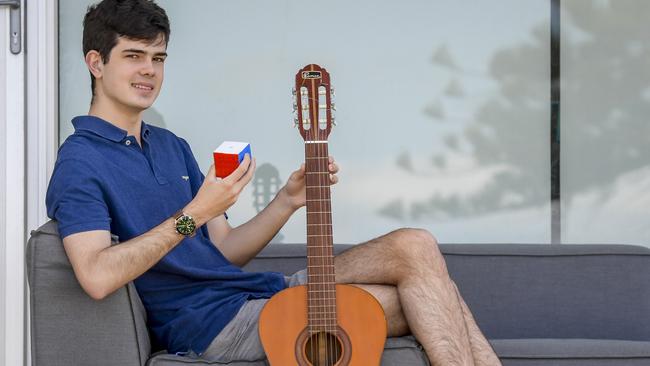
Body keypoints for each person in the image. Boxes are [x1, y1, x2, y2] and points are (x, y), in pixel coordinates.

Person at [46, 0, 501, 365]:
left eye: (158, 58)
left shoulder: (169, 145)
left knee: (415, 246)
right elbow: (96, 276)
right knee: (422, 300)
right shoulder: (80, 162)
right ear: (96, 63)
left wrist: (287, 200)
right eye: (133, 56)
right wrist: (194, 215)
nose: (149, 70)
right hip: (210, 324)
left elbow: (223, 251)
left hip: (254, 292)